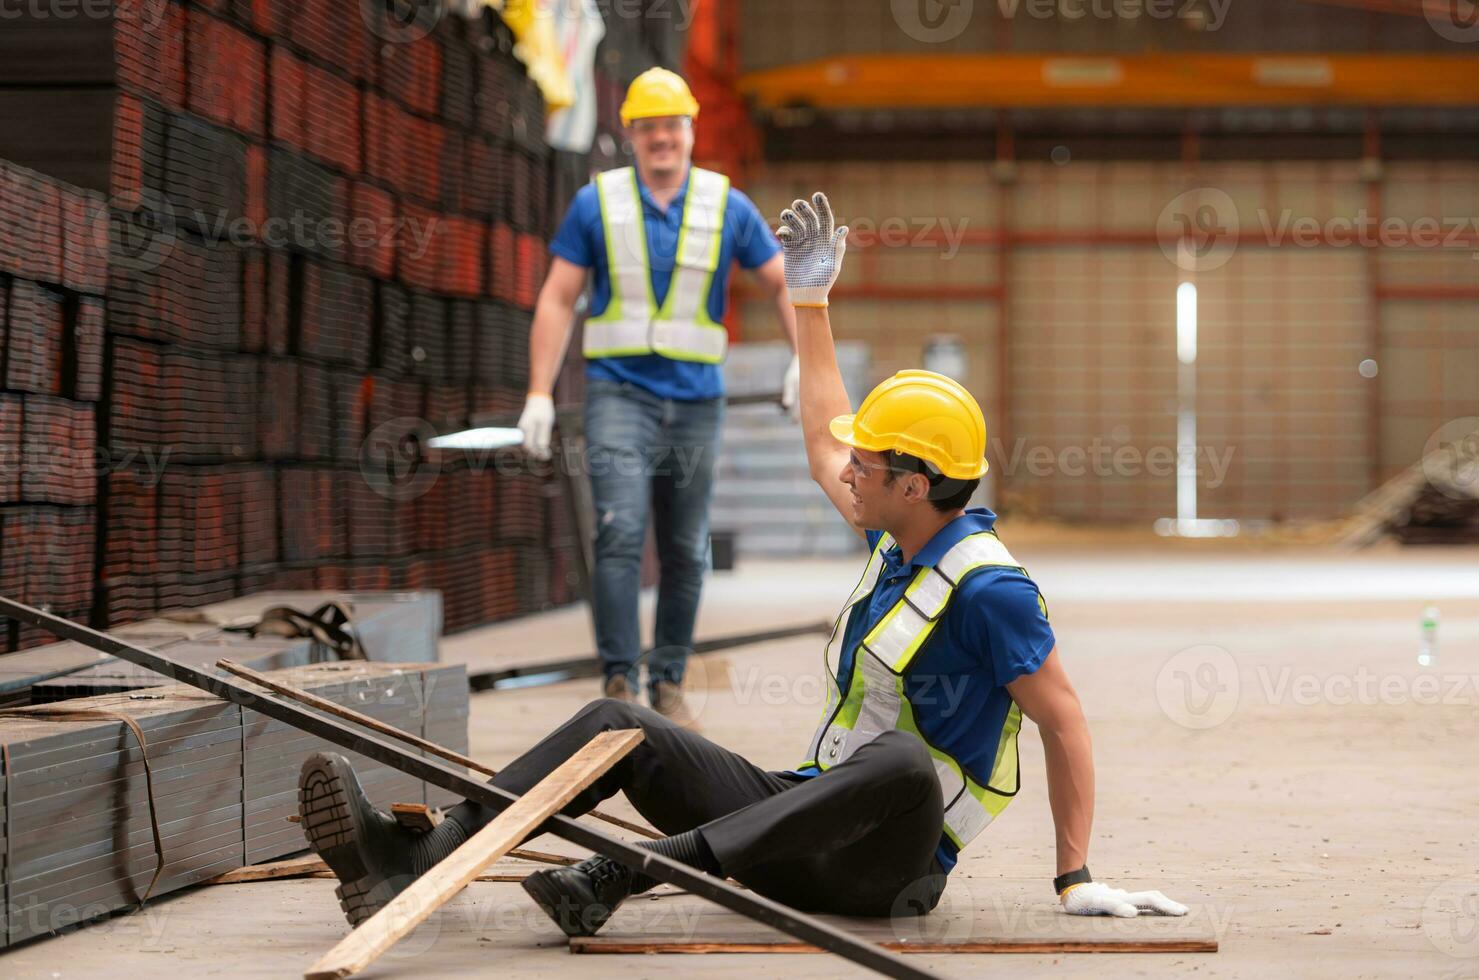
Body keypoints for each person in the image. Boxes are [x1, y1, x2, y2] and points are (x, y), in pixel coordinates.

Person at [297, 190, 1187, 936]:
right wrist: (810, 302)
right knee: (619, 718)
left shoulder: (989, 590)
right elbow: (822, 432)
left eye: (868, 467)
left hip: (885, 871)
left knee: (902, 765)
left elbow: (1064, 724)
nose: (848, 469)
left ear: (915, 486)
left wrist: (1074, 878)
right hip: (799, 820)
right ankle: (422, 848)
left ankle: (629, 874)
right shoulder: (901, 537)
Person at [516, 67, 798, 724]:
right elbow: (558, 297)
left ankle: (667, 685)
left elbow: (785, 284)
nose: (661, 138)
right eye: (648, 127)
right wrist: (537, 392)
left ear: (690, 130)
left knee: (684, 545)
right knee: (619, 533)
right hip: (620, 396)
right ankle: (619, 684)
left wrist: (802, 360)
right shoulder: (597, 204)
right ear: (632, 135)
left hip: (696, 402)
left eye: (672, 125)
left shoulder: (727, 206)